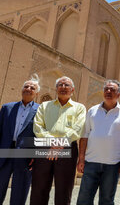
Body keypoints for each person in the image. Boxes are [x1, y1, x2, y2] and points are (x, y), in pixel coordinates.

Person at [30, 76, 86, 205]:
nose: (63, 87)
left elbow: (78, 129)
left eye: (67, 85)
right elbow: (38, 127)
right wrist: (53, 143)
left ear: (72, 90)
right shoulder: (44, 106)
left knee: (64, 190)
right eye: (60, 85)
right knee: (39, 188)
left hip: (67, 149)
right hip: (44, 148)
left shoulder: (79, 108)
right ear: (56, 89)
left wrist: (59, 144)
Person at [76, 80, 120, 205]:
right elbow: (84, 135)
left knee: (106, 200)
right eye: (106, 89)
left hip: (113, 164)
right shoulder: (92, 110)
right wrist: (81, 159)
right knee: (84, 200)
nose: (108, 92)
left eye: (112, 90)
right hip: (91, 162)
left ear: (118, 94)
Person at [0, 77, 40, 205]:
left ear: (36, 93)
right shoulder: (7, 108)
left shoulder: (40, 111)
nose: (28, 89)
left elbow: (40, 135)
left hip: (25, 155)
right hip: (5, 151)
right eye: (26, 87)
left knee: (20, 192)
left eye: (32, 88)